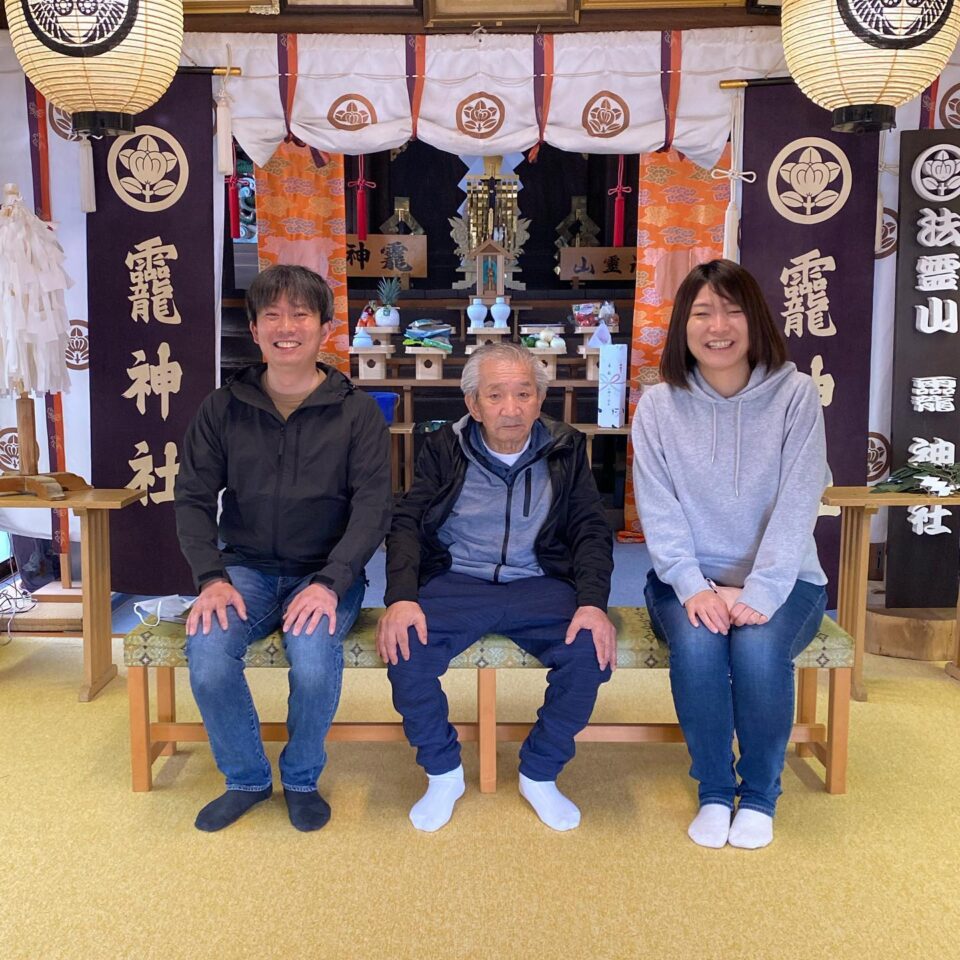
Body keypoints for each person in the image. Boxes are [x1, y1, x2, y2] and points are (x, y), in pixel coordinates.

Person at [174, 264, 391, 833]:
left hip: (326, 572)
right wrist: (210, 577)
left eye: (300, 314)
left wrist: (332, 581)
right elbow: (193, 497)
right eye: (272, 315)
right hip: (244, 568)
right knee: (208, 655)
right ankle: (245, 778)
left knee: (313, 661)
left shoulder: (356, 411)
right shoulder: (223, 407)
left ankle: (300, 777)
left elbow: (373, 507)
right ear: (254, 329)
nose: (286, 327)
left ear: (325, 328)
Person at [377, 342, 616, 833]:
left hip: (539, 581)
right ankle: (443, 772)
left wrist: (592, 604)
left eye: (524, 394)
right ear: (473, 403)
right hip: (458, 580)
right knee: (405, 651)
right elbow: (407, 523)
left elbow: (591, 529)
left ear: (540, 398)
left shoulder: (565, 447)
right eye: (495, 395)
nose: (511, 409)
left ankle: (540, 771)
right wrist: (401, 597)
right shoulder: (444, 447)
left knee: (590, 650)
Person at [632, 259, 830, 850]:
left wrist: (762, 590)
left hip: (786, 579)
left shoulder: (795, 395)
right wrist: (694, 586)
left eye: (733, 310)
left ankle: (761, 795)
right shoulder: (659, 406)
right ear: (683, 326)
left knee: (759, 649)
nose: (718, 326)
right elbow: (658, 508)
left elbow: (799, 500)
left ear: (756, 319)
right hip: (687, 580)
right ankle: (716, 790)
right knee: (697, 647)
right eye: (702, 313)